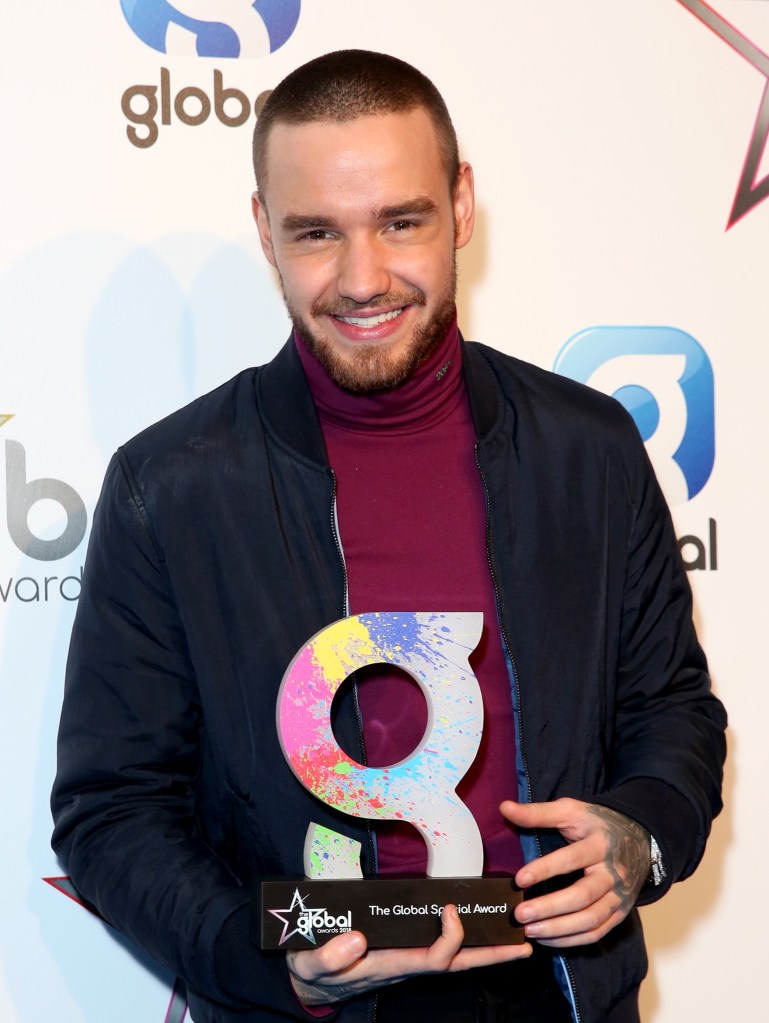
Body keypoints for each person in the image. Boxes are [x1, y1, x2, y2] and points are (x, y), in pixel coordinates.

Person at [51, 50, 726, 1023]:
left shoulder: (590, 447)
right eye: (316, 232)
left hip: (558, 998)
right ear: (265, 232)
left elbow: (670, 710)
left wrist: (638, 835)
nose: (361, 279)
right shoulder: (172, 486)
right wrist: (268, 961)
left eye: (399, 222)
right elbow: (111, 809)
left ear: (460, 206)